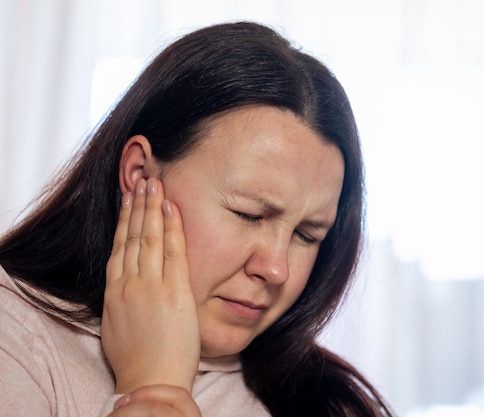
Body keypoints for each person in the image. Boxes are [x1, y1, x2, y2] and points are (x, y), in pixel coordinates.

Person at [0, 21, 393, 417]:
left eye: (307, 235)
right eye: (249, 214)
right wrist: (153, 390)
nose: (276, 269)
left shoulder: (332, 404)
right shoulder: (15, 341)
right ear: (139, 175)